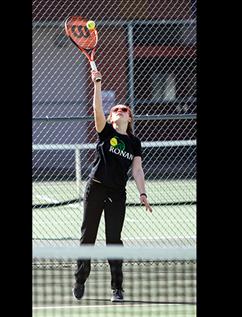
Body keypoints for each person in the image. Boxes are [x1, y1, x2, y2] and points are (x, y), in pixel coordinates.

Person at [72, 70, 153, 302]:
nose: (120, 110)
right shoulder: (106, 132)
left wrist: (143, 192)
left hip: (117, 194)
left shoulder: (134, 142)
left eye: (124, 109)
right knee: (88, 236)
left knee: (114, 240)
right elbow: (97, 110)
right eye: (116, 109)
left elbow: (137, 169)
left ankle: (117, 288)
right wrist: (97, 83)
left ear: (130, 118)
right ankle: (80, 279)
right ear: (110, 118)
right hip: (96, 188)